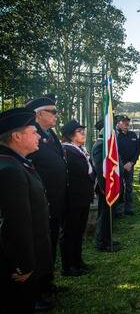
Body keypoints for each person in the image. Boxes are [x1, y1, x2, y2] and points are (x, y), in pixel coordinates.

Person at [0, 107, 53, 313]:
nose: (39, 135)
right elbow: (16, 223)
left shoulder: (17, 163)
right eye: (33, 132)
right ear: (17, 136)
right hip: (20, 266)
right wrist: (24, 265)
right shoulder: (10, 170)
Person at [25, 95, 67, 303]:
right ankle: (37, 291)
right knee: (39, 245)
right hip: (41, 200)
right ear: (39, 113)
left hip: (55, 199)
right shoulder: (29, 135)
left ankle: (47, 283)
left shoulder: (50, 134)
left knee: (50, 241)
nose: (57, 115)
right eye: (53, 111)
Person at [60, 120, 95, 277]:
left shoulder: (79, 149)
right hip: (73, 199)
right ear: (70, 135)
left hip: (83, 197)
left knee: (78, 231)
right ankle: (68, 266)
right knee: (70, 232)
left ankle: (78, 261)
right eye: (80, 131)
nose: (83, 133)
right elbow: (81, 172)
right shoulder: (67, 150)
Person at [91, 119, 121, 252]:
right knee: (104, 215)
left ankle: (107, 239)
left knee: (109, 215)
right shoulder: (100, 146)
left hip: (110, 185)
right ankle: (101, 242)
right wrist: (105, 188)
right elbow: (100, 170)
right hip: (105, 187)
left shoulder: (107, 145)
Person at [116, 114, 140, 215]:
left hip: (130, 165)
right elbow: (115, 152)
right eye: (123, 121)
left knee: (129, 187)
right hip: (118, 166)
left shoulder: (133, 135)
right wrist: (122, 164)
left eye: (127, 121)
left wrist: (132, 162)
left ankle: (128, 208)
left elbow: (137, 150)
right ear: (118, 123)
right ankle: (118, 209)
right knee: (119, 187)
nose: (126, 123)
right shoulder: (115, 136)